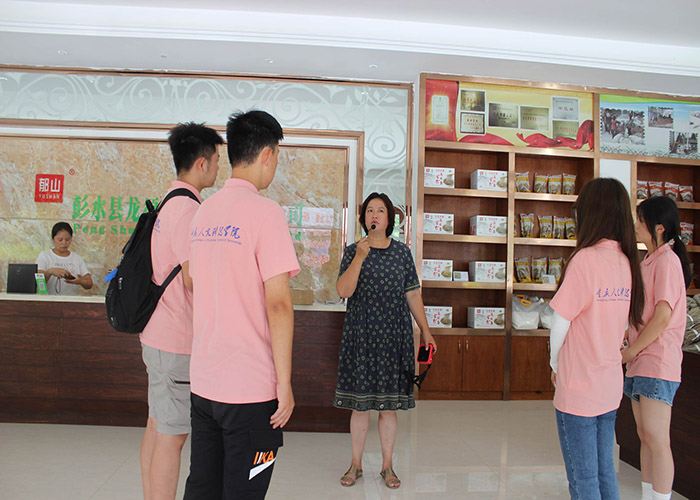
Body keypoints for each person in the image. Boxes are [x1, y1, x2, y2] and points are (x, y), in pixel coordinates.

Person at [183, 110, 299, 500]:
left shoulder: (204, 212)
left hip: (204, 384)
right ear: (267, 154)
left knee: (203, 487)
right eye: (277, 155)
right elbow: (279, 305)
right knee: (244, 491)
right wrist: (284, 384)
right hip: (250, 391)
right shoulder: (266, 213)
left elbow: (192, 281)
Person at [139, 122, 223, 500]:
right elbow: (193, 279)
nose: (218, 167)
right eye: (217, 160)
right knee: (172, 437)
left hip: (157, 334)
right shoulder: (189, 210)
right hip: (176, 341)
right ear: (202, 163)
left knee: (157, 426)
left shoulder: (169, 201)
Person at [548, 178, 645, 500]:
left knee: (583, 477)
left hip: (578, 386)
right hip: (609, 384)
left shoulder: (585, 259)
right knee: (604, 471)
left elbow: (560, 322)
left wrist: (555, 364)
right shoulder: (627, 261)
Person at [333, 192, 436, 490]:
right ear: (363, 218)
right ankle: (355, 464)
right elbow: (343, 290)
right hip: (362, 336)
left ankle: (387, 466)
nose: (374, 215)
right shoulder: (353, 251)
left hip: (394, 336)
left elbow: (412, 293)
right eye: (369, 210)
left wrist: (426, 330)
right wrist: (360, 257)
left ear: (390, 218)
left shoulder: (402, 253)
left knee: (388, 407)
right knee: (360, 406)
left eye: (380, 210)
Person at [622, 196, 691, 500]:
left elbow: (663, 316)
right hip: (640, 361)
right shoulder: (648, 261)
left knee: (657, 438)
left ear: (659, 227)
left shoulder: (667, 262)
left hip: (656, 360)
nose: (636, 225)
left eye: (640, 220)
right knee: (645, 436)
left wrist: (631, 350)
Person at [36, 222, 93, 295]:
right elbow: (38, 283)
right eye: (60, 240)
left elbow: (89, 284)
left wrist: (80, 281)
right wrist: (50, 272)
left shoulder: (77, 258)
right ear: (53, 239)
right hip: (50, 300)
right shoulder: (44, 256)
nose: (64, 243)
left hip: (71, 300)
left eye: (67, 240)